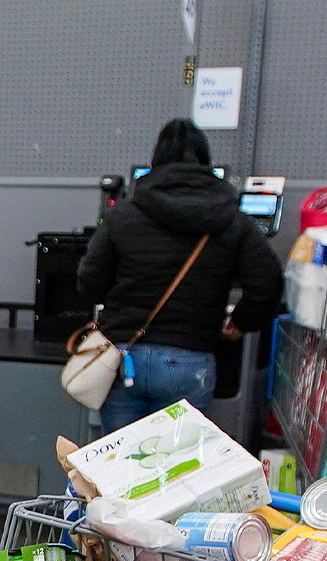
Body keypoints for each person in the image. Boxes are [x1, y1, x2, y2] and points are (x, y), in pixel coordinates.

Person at [78, 118, 283, 432]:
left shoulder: (122, 216)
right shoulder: (233, 221)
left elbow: (88, 283)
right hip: (190, 361)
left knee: (117, 472)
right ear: (206, 165)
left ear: (154, 164)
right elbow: (268, 283)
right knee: (177, 474)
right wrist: (241, 322)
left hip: (121, 359)